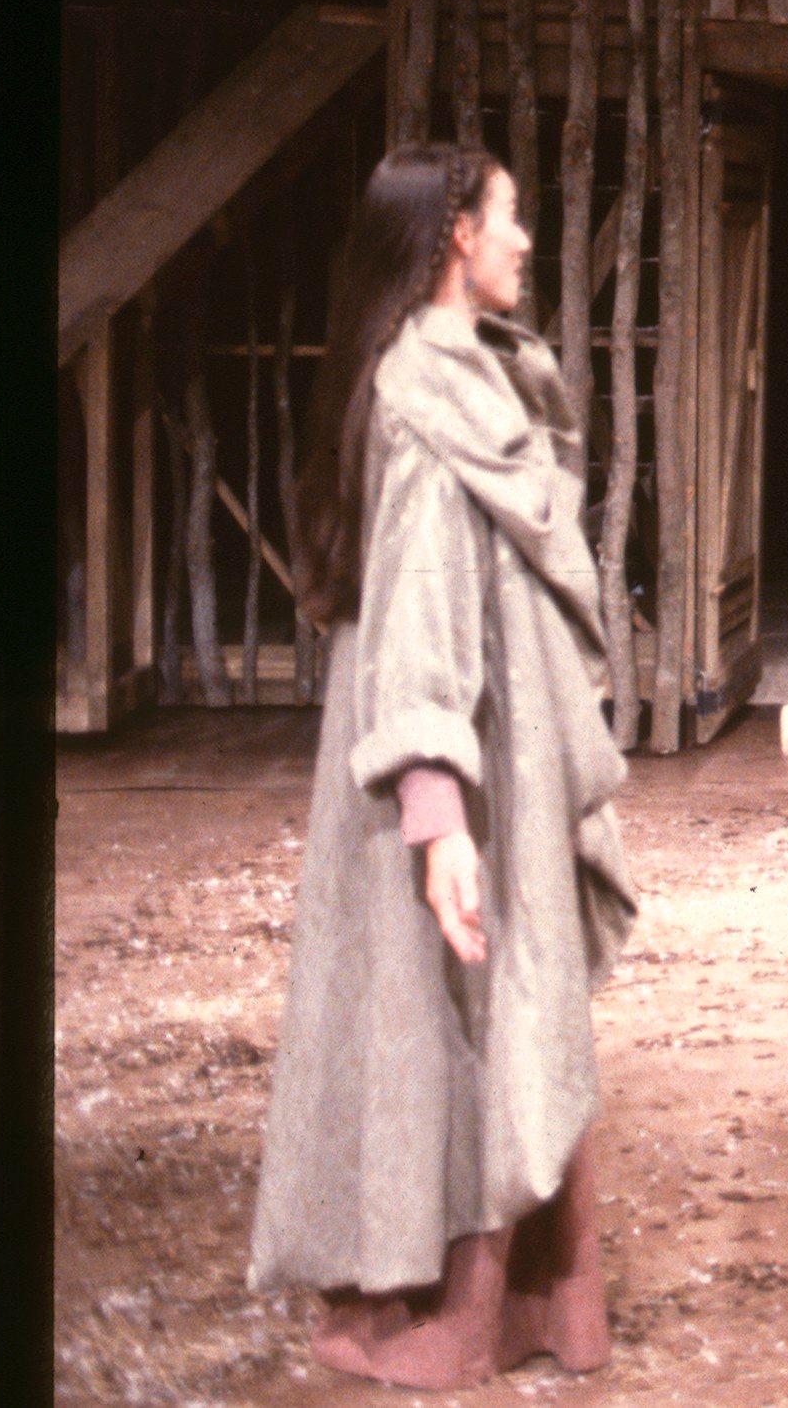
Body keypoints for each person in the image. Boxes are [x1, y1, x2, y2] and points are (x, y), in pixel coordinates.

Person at [248, 144, 638, 1387]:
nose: (526, 239)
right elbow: (420, 602)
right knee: (460, 1014)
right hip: (455, 756)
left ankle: (529, 1301)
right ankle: (463, 1309)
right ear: (457, 232)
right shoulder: (426, 393)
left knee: (507, 1005)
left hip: (499, 742)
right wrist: (438, 812)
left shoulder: (481, 372)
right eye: (510, 216)